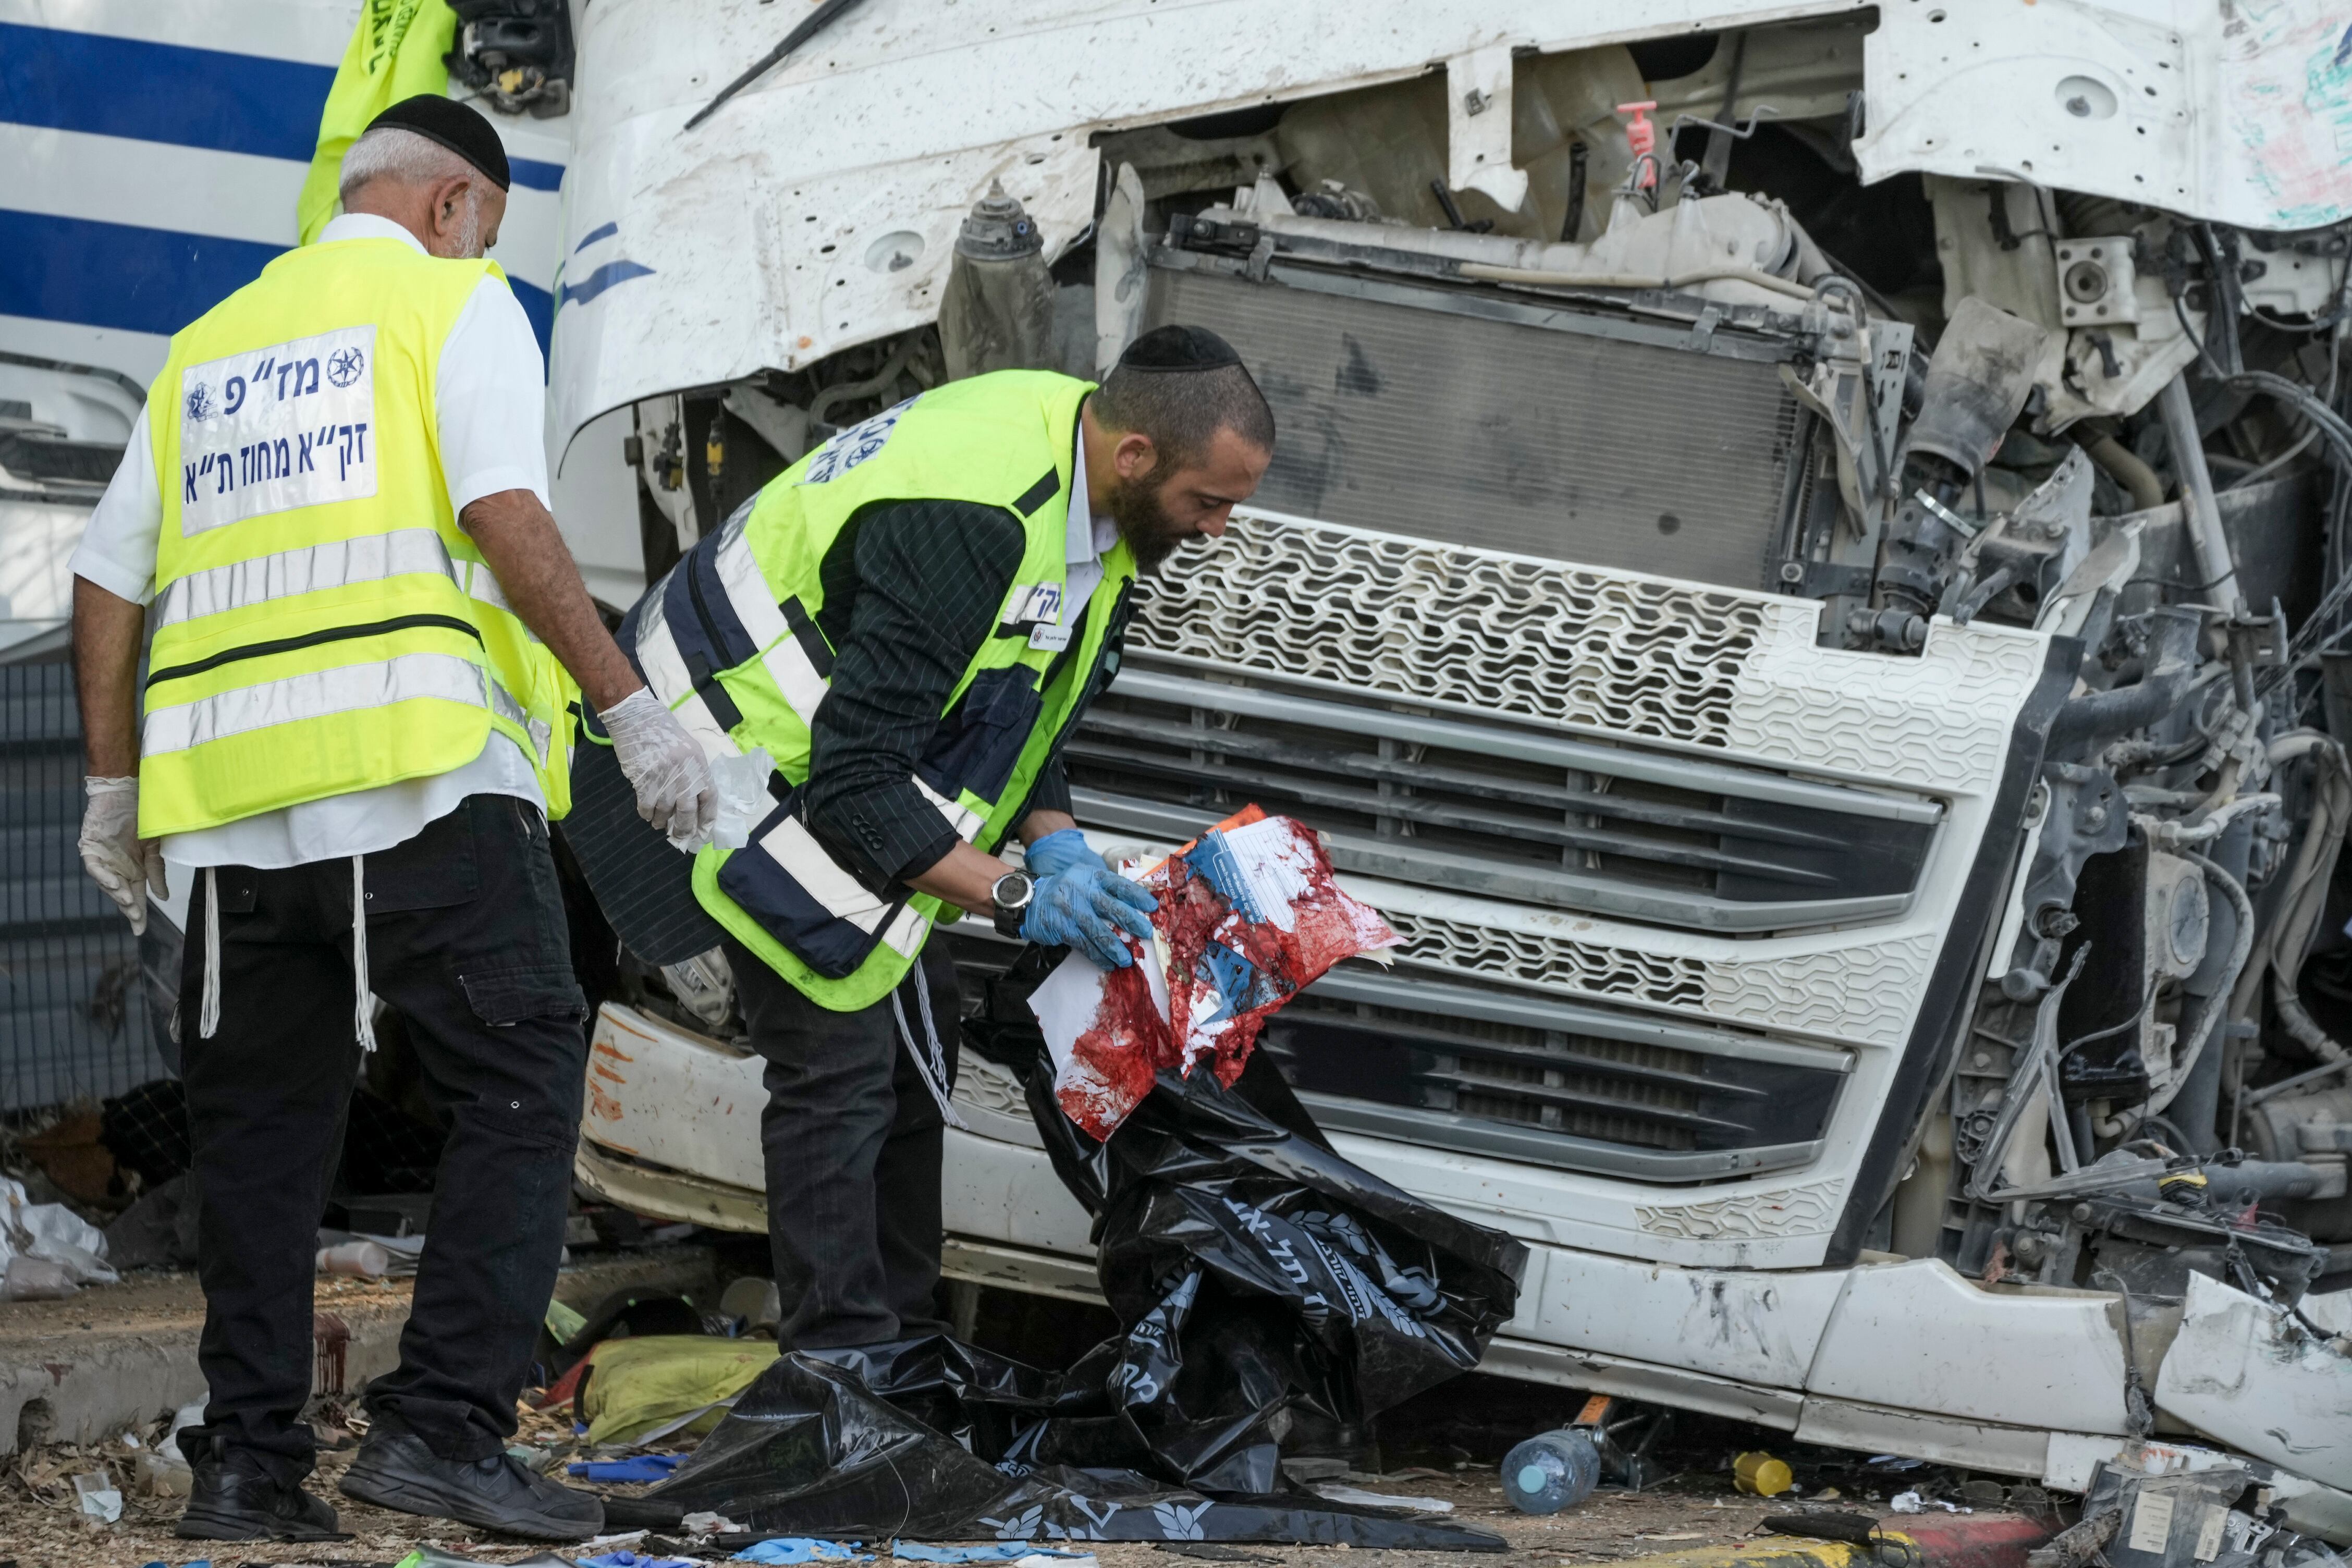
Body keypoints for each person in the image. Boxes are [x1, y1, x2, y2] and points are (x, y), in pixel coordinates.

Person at [69, 95, 715, 1545]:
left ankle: (245, 1471)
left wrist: (115, 787)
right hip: (419, 781)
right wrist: (628, 707)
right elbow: (501, 504)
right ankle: (442, 1433)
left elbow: (108, 581)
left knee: (257, 1146)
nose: (484, 243)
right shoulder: (453, 300)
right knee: (523, 1070)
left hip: (232, 827)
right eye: (486, 221)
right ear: (449, 207)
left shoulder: (209, 346)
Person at [610, 326, 1274, 1351]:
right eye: (1210, 501)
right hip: (718, 749)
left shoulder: (1088, 489)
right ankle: (841, 1371)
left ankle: (902, 1349)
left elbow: (1019, 699)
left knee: (923, 1043)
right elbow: (855, 783)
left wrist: (1056, 841)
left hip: (822, 750)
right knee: (837, 1061)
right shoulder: (977, 516)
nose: (1220, 529)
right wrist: (1013, 893)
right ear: (1136, 456)